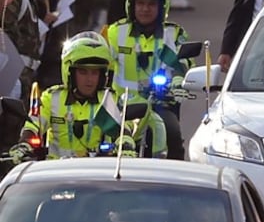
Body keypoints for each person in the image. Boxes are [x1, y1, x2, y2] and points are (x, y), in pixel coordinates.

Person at [16, 31, 166, 160]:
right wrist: (24, 145)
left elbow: (122, 127)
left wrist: (125, 142)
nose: (89, 79)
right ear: (69, 72)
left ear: (103, 76)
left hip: (98, 175)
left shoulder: (110, 99)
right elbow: (33, 125)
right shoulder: (51, 98)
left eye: (95, 73)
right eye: (83, 72)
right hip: (55, 175)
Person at [103, 0, 189, 160]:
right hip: (120, 107)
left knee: (173, 134)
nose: (145, 9)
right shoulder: (115, 32)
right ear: (130, 5)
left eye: (151, 4)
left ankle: (175, 180)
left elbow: (182, 64)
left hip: (160, 104)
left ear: (162, 6)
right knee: (102, 142)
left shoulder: (174, 34)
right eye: (140, 3)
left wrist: (177, 81)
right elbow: (101, 65)